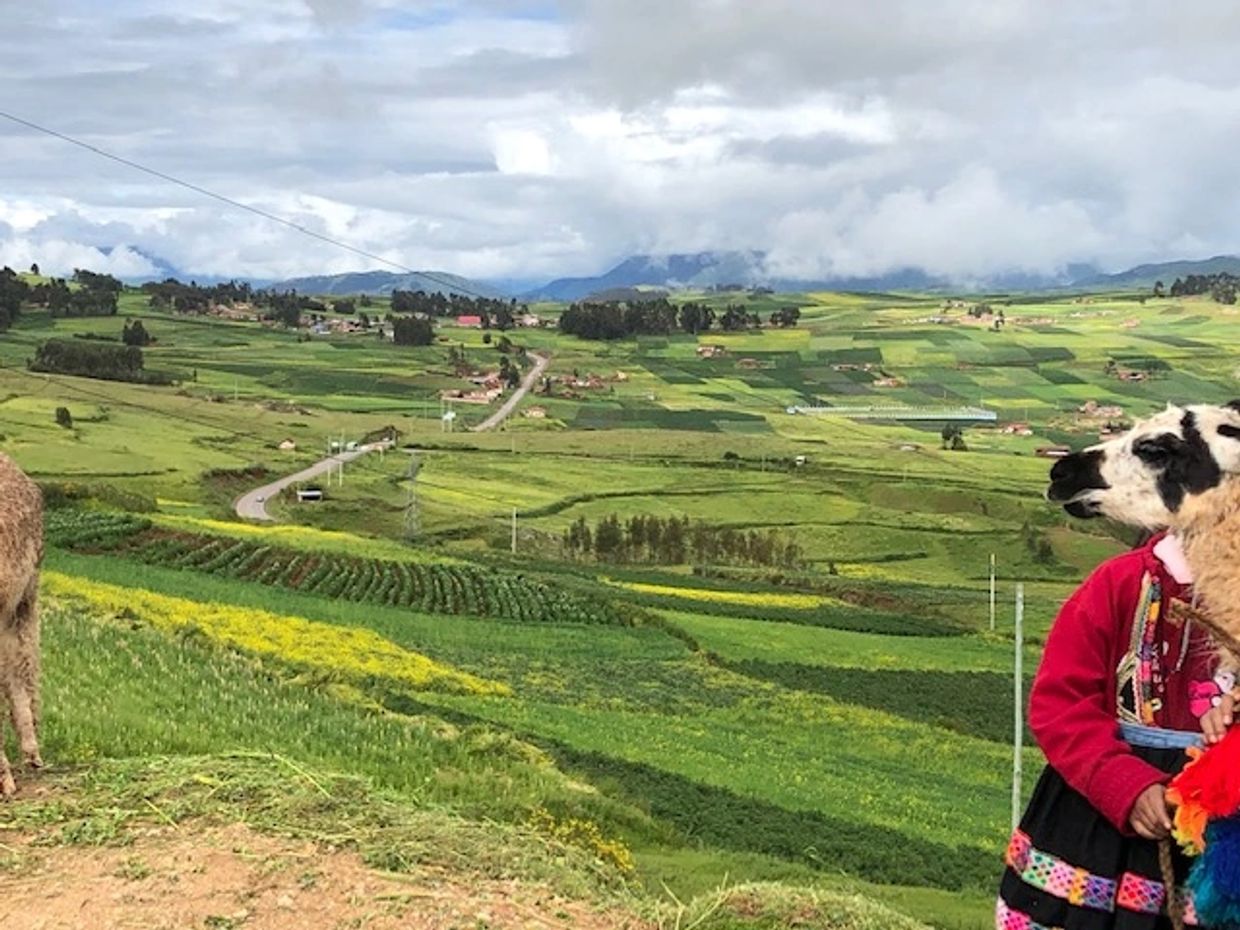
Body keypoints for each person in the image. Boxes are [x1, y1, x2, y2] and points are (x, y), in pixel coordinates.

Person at [997, 530, 1234, 929]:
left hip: (1221, 836)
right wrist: (1124, 784)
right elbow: (1060, 703)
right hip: (1098, 837)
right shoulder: (1117, 585)